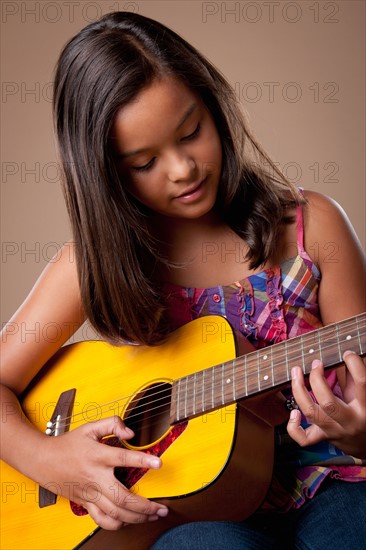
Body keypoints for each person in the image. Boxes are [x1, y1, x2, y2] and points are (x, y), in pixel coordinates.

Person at [1, 11, 365, 549]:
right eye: (144, 162)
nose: (182, 169)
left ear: (213, 108)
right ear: (105, 173)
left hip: (327, 488)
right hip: (191, 512)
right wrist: (50, 460)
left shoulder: (313, 229)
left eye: (191, 132)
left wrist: (361, 434)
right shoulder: (92, 266)